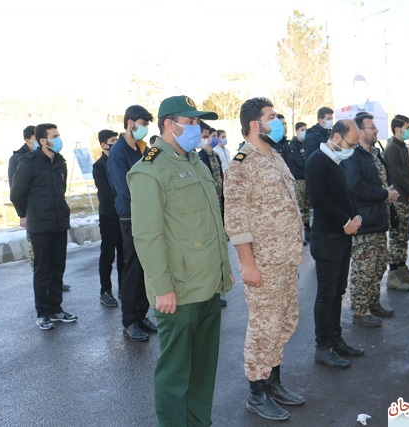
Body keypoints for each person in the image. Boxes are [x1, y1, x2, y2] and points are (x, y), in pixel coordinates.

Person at [128, 95, 234, 427]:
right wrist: (162, 288)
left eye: (197, 123)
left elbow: (211, 224)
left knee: (203, 368)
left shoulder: (195, 161)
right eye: (190, 123)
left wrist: (224, 270)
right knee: (176, 372)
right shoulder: (149, 169)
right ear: (168, 124)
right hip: (179, 289)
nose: (196, 129)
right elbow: (147, 235)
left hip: (208, 283)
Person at [224, 97, 305, 421]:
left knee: (285, 321)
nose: (278, 121)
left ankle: (273, 383)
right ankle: (257, 394)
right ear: (255, 124)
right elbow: (236, 221)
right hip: (264, 263)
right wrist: (248, 265)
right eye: (272, 117)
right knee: (263, 329)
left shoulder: (275, 156)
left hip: (286, 258)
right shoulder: (241, 164)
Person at [305, 119, 365, 369]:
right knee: (326, 294)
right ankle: (323, 347)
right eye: (352, 144)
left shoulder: (337, 160)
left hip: (341, 236)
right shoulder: (316, 161)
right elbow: (320, 200)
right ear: (337, 137)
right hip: (327, 238)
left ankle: (336, 340)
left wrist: (355, 216)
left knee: (338, 292)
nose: (353, 149)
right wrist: (344, 221)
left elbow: (345, 194)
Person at [10, 123, 77, 330]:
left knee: (58, 269)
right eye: (54, 136)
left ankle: (56, 309)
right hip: (40, 226)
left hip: (59, 222)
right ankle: (43, 313)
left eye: (58, 135)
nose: (58, 139)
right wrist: (24, 214)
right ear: (42, 140)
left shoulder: (60, 162)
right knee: (42, 271)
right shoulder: (28, 162)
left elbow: (60, 190)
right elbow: (16, 193)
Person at [344, 113, 400, 331]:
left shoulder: (375, 153)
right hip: (364, 222)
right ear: (360, 132)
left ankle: (373, 303)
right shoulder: (353, 156)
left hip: (380, 218)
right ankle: (360, 311)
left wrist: (390, 191)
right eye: (372, 127)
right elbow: (356, 187)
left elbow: (384, 179)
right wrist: (384, 194)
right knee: (364, 269)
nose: (376, 131)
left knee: (378, 266)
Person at [106, 105, 157, 341]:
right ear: (130, 123)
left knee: (146, 267)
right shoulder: (118, 152)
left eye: (147, 124)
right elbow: (124, 189)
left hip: (146, 214)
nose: (145, 128)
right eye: (143, 124)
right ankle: (129, 321)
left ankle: (141, 314)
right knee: (132, 269)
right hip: (131, 216)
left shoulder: (141, 148)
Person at [384, 115, 409, 288]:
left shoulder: (401, 147)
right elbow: (398, 176)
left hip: (405, 198)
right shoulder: (392, 148)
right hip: (398, 199)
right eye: (407, 128)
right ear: (397, 129)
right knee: (397, 236)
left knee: (404, 236)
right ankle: (393, 274)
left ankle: (401, 268)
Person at [198, 123, 228, 308]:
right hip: (208, 205)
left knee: (218, 250)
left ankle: (217, 291)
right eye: (209, 135)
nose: (214, 138)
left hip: (219, 202)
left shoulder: (215, 156)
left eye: (215, 135)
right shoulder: (199, 157)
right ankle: (210, 293)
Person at [93, 129, 123, 307]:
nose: (116, 144)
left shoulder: (119, 161)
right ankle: (105, 291)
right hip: (109, 216)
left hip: (123, 215)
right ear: (104, 145)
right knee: (108, 255)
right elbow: (106, 191)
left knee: (124, 254)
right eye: (113, 141)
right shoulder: (99, 166)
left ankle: (124, 287)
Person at [287, 121, 311, 244]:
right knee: (301, 208)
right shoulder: (294, 145)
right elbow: (300, 162)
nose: (304, 132)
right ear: (296, 131)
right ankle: (301, 235)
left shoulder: (307, 144)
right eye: (302, 129)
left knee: (308, 207)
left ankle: (308, 232)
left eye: (305, 129)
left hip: (308, 178)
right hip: (299, 180)